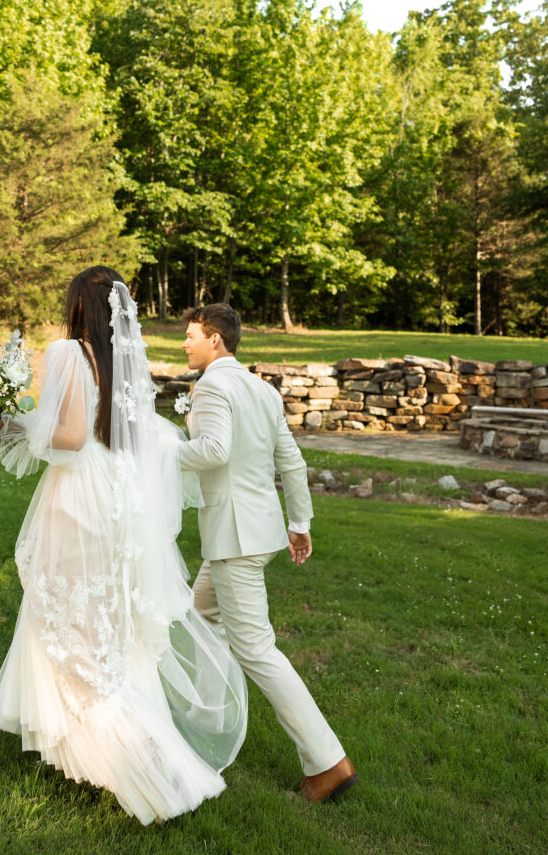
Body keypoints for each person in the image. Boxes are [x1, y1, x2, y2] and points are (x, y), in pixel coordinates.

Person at [0, 268, 248, 825]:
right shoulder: (125, 360)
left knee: (65, 619)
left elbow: (71, 437)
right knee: (100, 624)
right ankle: (81, 751)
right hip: (116, 501)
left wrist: (9, 421)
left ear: (79, 305)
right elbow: (129, 434)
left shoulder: (65, 353)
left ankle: (144, 763)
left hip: (76, 497)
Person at [178, 303, 358, 803]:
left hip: (235, 538)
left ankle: (327, 763)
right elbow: (292, 463)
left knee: (257, 649)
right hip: (255, 534)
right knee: (200, 618)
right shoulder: (262, 390)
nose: (185, 344)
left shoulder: (213, 385)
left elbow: (214, 451)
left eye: (191, 335)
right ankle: (203, 723)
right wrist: (298, 524)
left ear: (216, 339)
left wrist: (157, 451)